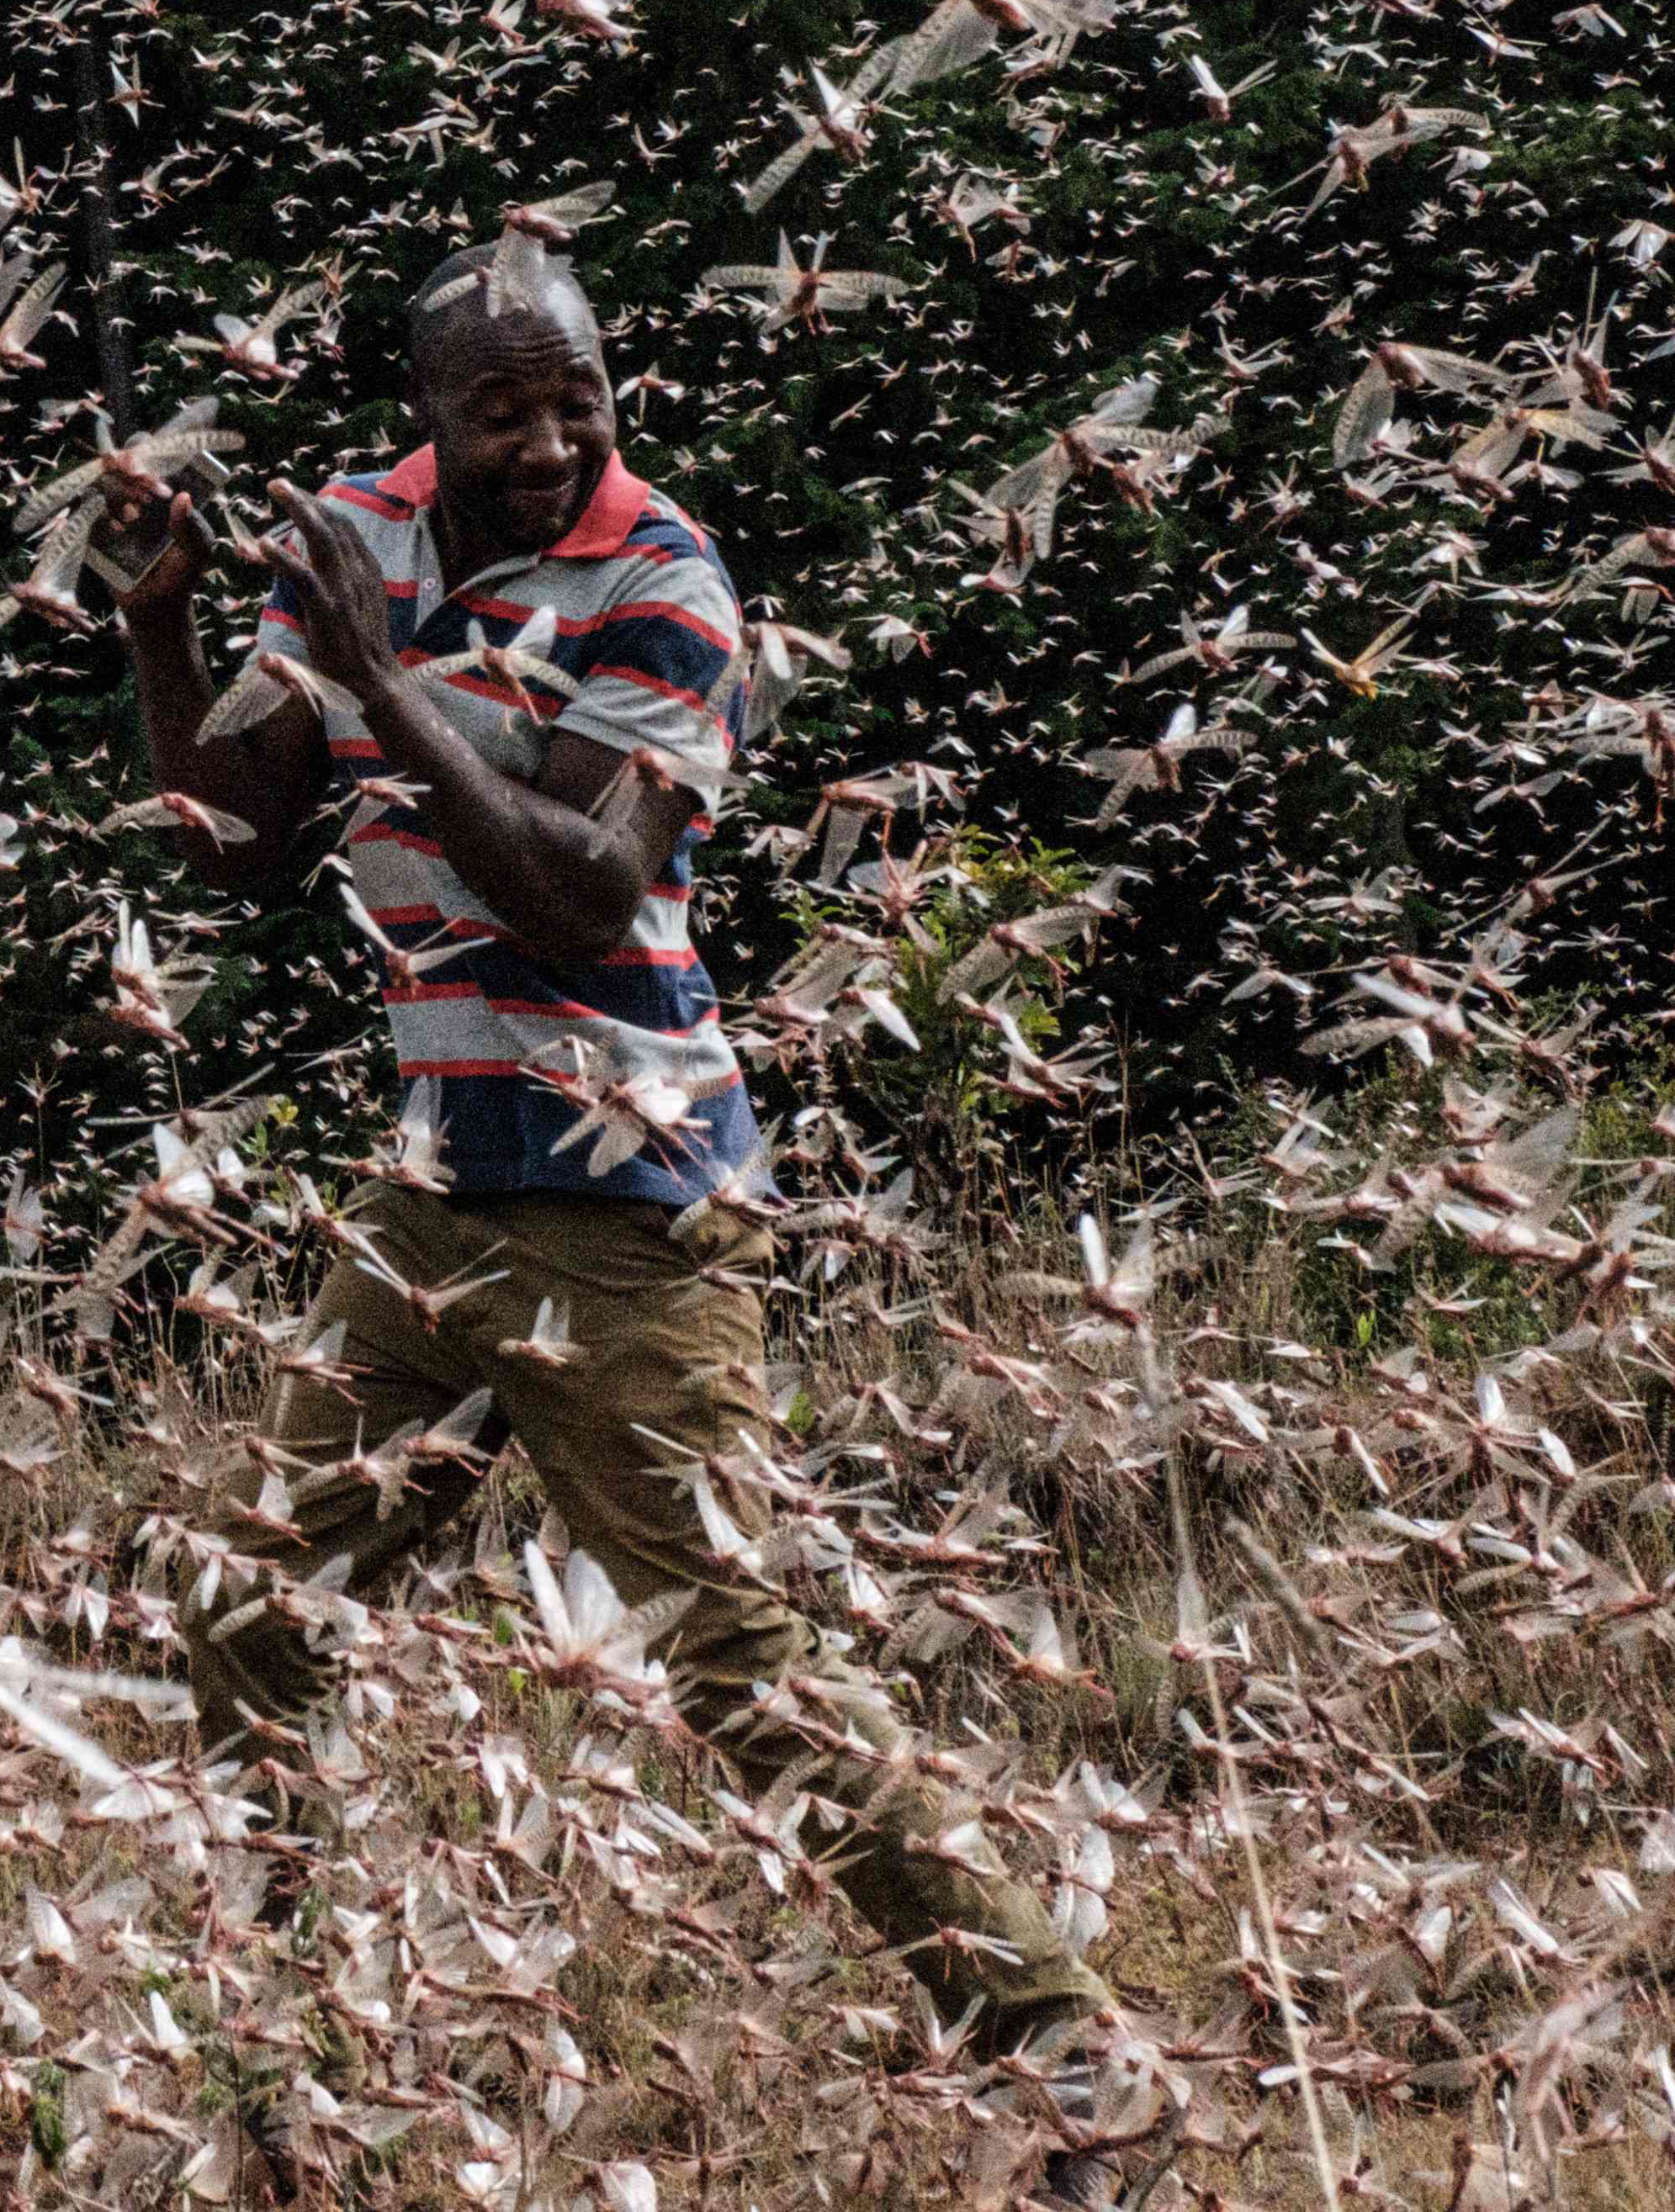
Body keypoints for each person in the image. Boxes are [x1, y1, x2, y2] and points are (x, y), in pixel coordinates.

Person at [101, 233, 1129, 2100]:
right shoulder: (359, 529)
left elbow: (582, 894)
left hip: (629, 1197)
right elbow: (241, 831)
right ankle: (281, 2090)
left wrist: (378, 680)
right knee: (252, 1613)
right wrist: (167, 626)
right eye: (503, 407)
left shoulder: (668, 580)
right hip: (437, 1186)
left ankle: (1074, 2064)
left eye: (577, 394)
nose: (551, 437)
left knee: (737, 1660)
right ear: (426, 418)